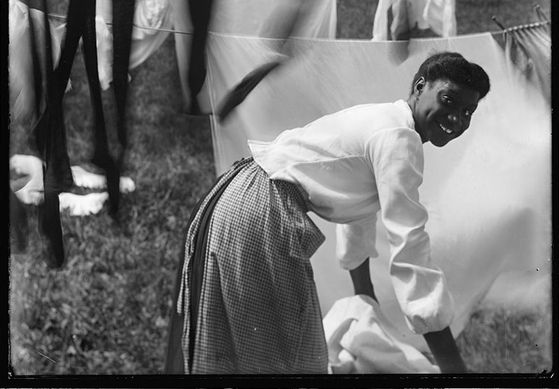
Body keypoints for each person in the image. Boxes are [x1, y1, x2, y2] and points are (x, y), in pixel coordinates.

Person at [165, 51, 490, 375]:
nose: (457, 119)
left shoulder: (385, 120)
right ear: (420, 86)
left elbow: (359, 219)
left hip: (240, 195)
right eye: (448, 101)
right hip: (259, 212)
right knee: (284, 354)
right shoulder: (398, 137)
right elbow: (410, 252)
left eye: (467, 112)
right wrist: (453, 368)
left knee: (248, 342)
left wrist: (366, 302)